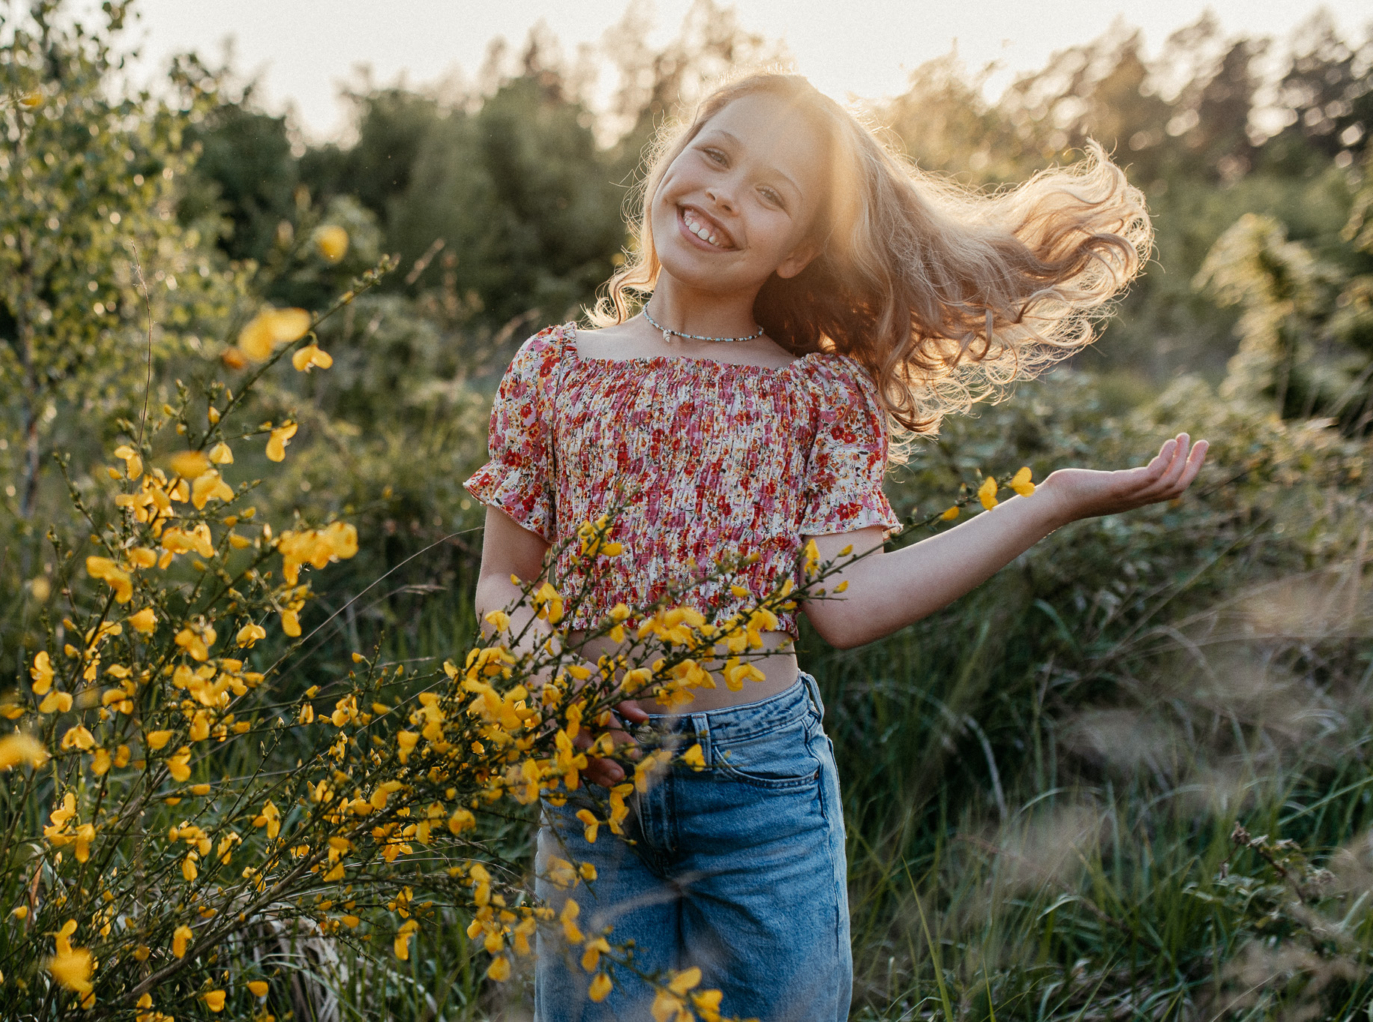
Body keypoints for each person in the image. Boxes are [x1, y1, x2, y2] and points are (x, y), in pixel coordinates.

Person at [463, 70, 1207, 1022]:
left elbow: (847, 606)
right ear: (673, 160)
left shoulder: (819, 395)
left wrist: (1048, 503)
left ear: (800, 247)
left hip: (758, 794)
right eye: (716, 157)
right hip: (590, 784)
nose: (726, 196)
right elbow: (501, 584)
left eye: (771, 194)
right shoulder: (552, 369)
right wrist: (553, 685)